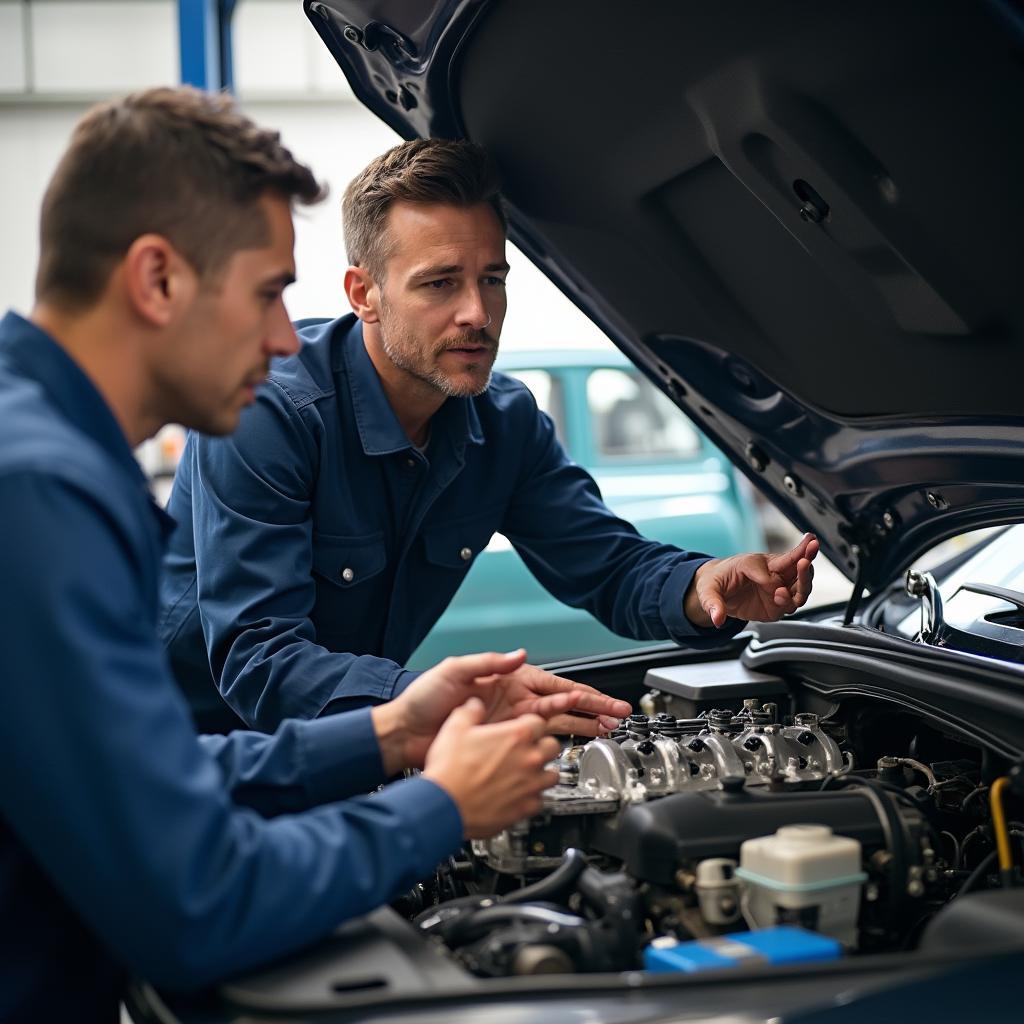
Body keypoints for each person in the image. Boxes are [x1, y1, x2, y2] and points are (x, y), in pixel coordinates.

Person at [0, 88, 578, 1023]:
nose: (283, 335)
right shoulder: (35, 494)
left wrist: (388, 730)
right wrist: (438, 809)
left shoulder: (43, 459)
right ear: (156, 281)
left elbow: (160, 781)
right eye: (268, 291)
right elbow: (194, 898)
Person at [160, 138, 818, 734]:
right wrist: (445, 702)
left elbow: (607, 565)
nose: (477, 313)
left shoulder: (505, 423)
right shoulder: (266, 413)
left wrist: (699, 584)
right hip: (176, 751)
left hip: (352, 741)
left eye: (492, 280)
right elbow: (259, 658)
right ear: (364, 294)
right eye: (440, 283)